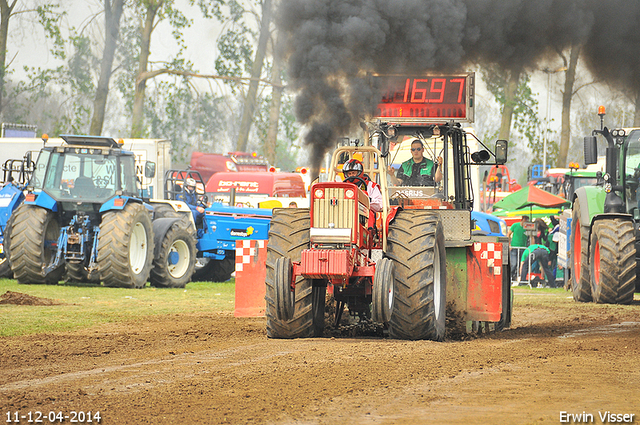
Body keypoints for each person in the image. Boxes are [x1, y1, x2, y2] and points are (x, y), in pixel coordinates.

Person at [508, 215, 529, 281]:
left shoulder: (527, 227)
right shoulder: (515, 225)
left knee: (520, 263)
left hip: (523, 248)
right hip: (514, 247)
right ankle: (510, 275)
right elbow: (508, 234)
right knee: (514, 263)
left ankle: (515, 276)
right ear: (523, 219)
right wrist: (509, 244)